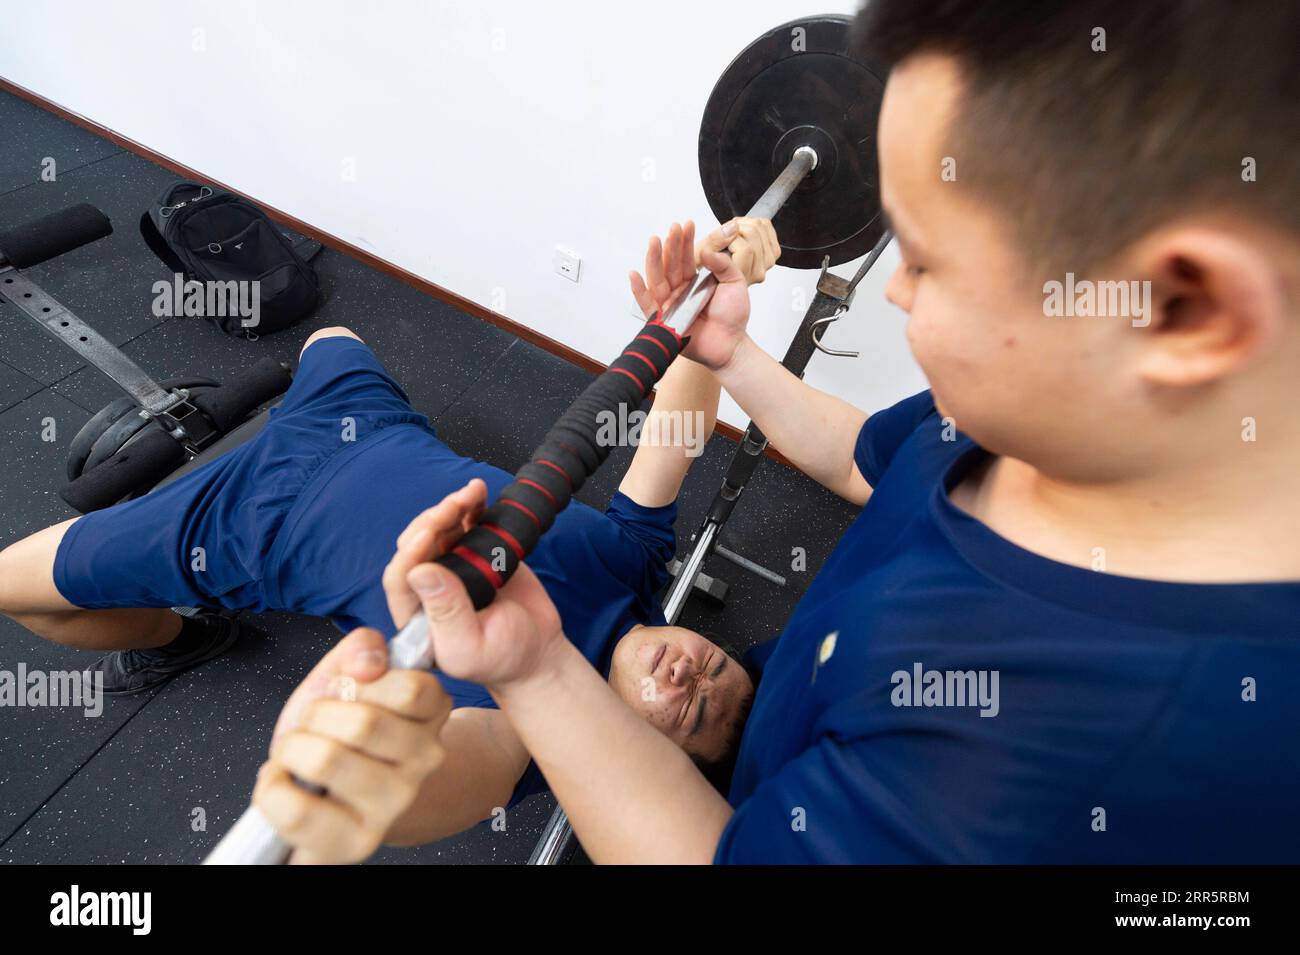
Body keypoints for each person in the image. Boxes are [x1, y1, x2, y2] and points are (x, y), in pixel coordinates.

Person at [351, 0, 1300, 864]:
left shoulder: (1039, 771)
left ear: (1182, 309)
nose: (894, 286)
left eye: (925, 261)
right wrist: (733, 356)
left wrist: (541, 671)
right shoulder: (1051, 415)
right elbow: (863, 458)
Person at [0, 220, 780, 859]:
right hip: (363, 423)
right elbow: (674, 432)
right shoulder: (636, 562)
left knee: (14, 586)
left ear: (651, 757)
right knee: (329, 331)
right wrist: (715, 296)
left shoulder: (535, 725)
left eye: (689, 712)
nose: (688, 675)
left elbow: (456, 775)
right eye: (710, 665)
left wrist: (359, 784)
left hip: (248, 526)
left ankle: (183, 632)